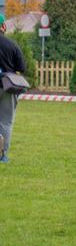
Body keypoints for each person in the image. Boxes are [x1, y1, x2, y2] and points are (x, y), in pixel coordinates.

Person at [0, 14, 27, 164]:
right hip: (6, 87)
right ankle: (2, 155)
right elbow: (21, 68)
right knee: (5, 122)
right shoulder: (12, 45)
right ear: (3, 26)